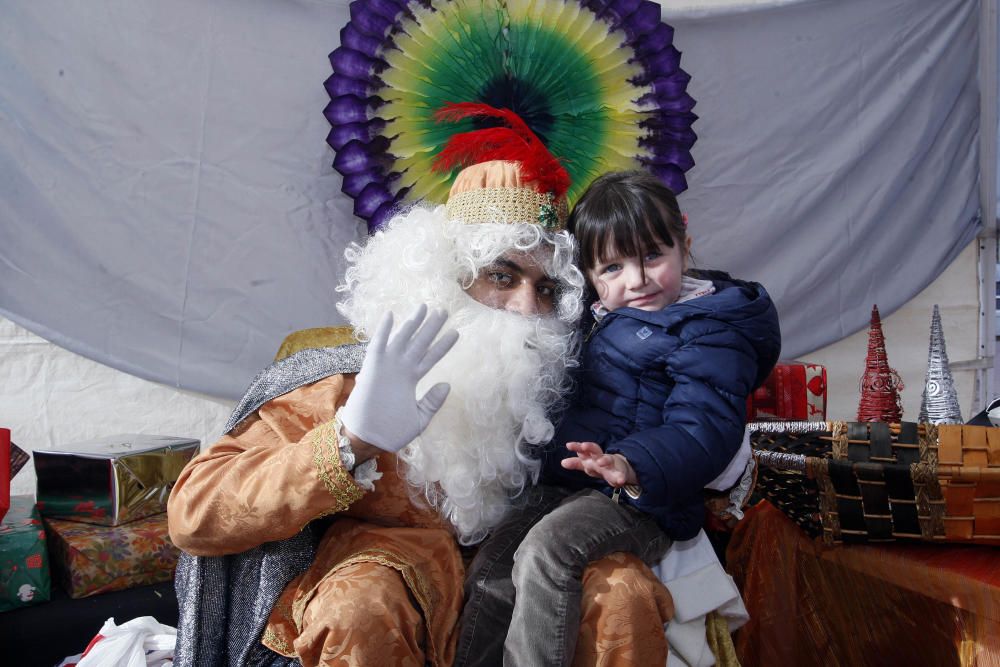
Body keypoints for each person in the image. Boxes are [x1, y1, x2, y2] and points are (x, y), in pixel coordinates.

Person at [167, 157, 678, 667]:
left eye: (546, 290)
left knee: (623, 592)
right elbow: (195, 512)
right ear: (443, 278)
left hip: (529, 580)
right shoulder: (353, 379)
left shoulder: (573, 382)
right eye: (502, 276)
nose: (527, 308)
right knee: (358, 609)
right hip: (390, 582)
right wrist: (350, 442)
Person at [457, 170, 781, 667]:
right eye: (612, 268)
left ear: (684, 244)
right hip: (572, 485)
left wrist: (632, 464)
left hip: (642, 498)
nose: (637, 280)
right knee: (493, 566)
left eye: (653, 255)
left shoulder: (709, 330)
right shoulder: (597, 314)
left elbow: (705, 427)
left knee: (547, 554)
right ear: (587, 275)